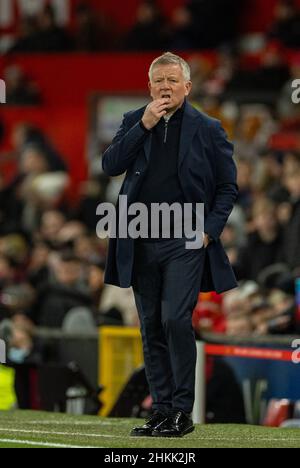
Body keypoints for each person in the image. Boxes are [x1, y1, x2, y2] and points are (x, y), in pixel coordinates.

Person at [102, 52, 238, 438]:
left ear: (187, 87)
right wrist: (143, 125)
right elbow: (110, 165)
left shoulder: (209, 128)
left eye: (172, 81)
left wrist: (210, 230)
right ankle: (161, 411)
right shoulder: (134, 121)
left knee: (175, 319)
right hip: (141, 236)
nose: (164, 87)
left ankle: (182, 410)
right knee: (150, 327)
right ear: (149, 87)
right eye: (158, 81)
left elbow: (228, 186)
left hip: (186, 239)